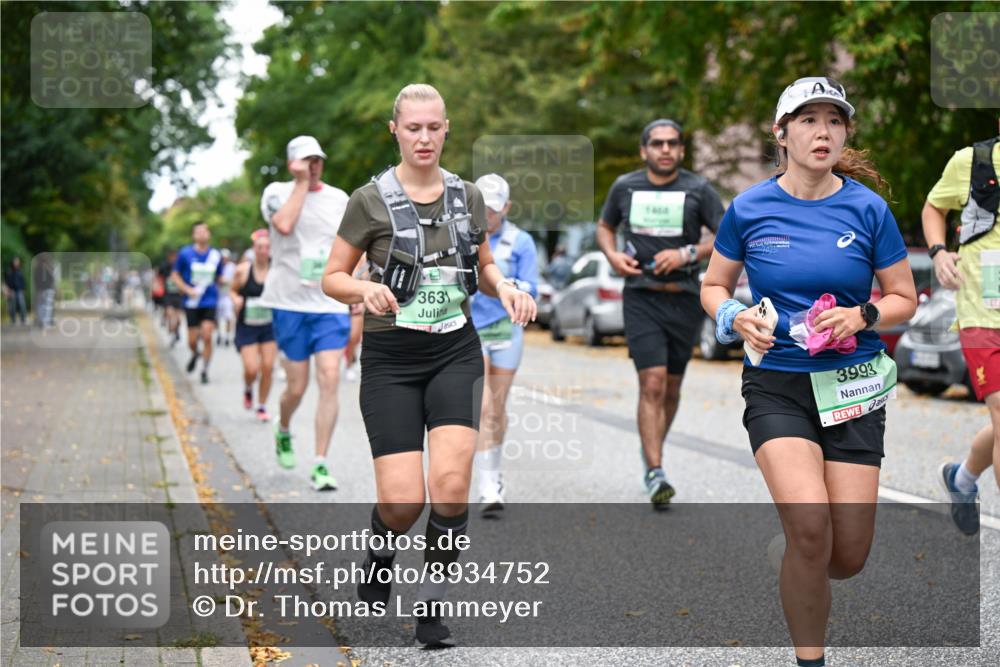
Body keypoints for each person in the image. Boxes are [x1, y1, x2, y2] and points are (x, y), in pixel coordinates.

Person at [701, 76, 917, 667]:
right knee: (813, 530)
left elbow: (903, 296)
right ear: (782, 132)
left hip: (852, 384)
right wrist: (734, 317)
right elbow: (714, 284)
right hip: (779, 384)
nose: (823, 131)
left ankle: (796, 552)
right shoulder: (749, 207)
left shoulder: (867, 209)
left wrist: (864, 313)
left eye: (834, 120)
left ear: (845, 133)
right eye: (808, 119)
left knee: (846, 556)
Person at [322, 83, 536, 647]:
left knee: (448, 488)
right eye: (413, 127)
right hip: (391, 359)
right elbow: (332, 276)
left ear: (447, 129)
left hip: (455, 351)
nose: (424, 137)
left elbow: (483, 262)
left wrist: (505, 287)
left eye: (434, 127)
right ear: (395, 130)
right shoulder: (368, 200)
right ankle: (380, 548)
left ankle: (432, 607)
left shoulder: (467, 197)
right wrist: (361, 292)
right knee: (402, 501)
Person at [596, 117, 725, 509]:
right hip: (641, 297)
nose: (665, 150)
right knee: (651, 384)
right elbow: (604, 227)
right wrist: (613, 255)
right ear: (644, 150)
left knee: (671, 388)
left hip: (684, 298)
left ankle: (651, 452)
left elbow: (724, 237)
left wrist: (687, 252)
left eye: (672, 144)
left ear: (681, 150)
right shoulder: (625, 186)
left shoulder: (699, 189)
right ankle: (656, 470)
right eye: (657, 143)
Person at [258, 135, 351, 491]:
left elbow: (350, 245)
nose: (314, 166)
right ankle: (283, 429)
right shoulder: (276, 192)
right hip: (289, 303)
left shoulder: (339, 199)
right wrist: (300, 184)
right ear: (292, 164)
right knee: (296, 386)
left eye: (318, 160)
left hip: (329, 304)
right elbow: (283, 225)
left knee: (330, 376)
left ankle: (321, 463)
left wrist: (356, 282)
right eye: (306, 161)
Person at [923, 121, 1000, 536]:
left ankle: (962, 479)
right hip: (982, 311)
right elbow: (934, 208)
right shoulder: (972, 161)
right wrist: (938, 253)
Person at [470, 173, 539, 513]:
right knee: (481, 407)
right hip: (471, 329)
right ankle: (486, 486)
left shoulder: (520, 241)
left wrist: (506, 286)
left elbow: (533, 289)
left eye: (493, 210)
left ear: (507, 208)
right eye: (481, 208)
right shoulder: (464, 237)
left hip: (505, 333)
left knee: (496, 409)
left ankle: (492, 472)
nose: (487, 216)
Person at [231, 229, 277, 422]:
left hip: (269, 326)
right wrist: (235, 300)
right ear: (254, 249)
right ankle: (249, 387)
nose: (263, 251)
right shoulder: (242, 270)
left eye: (267, 247)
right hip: (247, 325)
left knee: (267, 366)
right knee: (251, 369)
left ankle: (262, 405)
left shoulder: (277, 271)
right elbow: (232, 291)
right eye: (259, 247)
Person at [171, 221, 224, 384]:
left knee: (208, 336)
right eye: (198, 232)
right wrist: (186, 289)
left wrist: (229, 282)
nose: (201, 234)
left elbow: (219, 277)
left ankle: (204, 370)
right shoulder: (185, 254)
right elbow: (175, 275)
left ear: (209, 234)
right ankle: (195, 354)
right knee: (192, 341)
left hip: (209, 301)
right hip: (192, 302)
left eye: (204, 231)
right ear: (194, 235)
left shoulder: (216, 255)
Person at [160, 250, 183, 347]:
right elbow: (159, 275)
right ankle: (173, 332)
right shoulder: (165, 267)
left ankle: (176, 331)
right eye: (172, 257)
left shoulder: (181, 268)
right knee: (170, 315)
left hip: (178, 295)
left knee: (177, 318)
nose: (173, 259)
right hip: (168, 295)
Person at [216, 249, 236, 347]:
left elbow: (234, 280)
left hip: (228, 295)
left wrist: (226, 281)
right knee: (218, 317)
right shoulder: (217, 267)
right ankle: (219, 334)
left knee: (228, 316)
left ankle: (227, 336)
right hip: (218, 295)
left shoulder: (232, 267)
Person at [4, 257, 28, 325]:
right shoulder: (9, 271)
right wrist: (8, 290)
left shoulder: (20, 271)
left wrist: (23, 289)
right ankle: (13, 319)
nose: (16, 263)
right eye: (15, 261)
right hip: (12, 290)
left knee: (22, 304)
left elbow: (23, 281)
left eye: (17, 262)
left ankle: (23, 318)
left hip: (20, 290)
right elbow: (6, 282)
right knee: (12, 305)